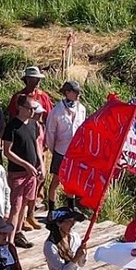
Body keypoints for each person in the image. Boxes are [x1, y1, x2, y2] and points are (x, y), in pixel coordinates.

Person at [3, 95, 44, 249]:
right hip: (18, 172)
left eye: (34, 109)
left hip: (31, 172)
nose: (32, 112)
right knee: (16, 206)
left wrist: (41, 164)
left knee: (25, 203)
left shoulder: (34, 124)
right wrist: (26, 165)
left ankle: (18, 232)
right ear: (20, 108)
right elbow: (7, 151)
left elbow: (36, 146)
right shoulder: (12, 126)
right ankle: (10, 241)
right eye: (30, 108)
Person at [43, 80, 86, 216]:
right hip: (61, 151)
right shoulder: (57, 111)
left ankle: (71, 207)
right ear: (67, 93)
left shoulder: (82, 109)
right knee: (56, 180)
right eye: (75, 91)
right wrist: (54, 149)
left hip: (75, 152)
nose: (78, 94)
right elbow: (50, 133)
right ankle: (51, 208)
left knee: (72, 180)